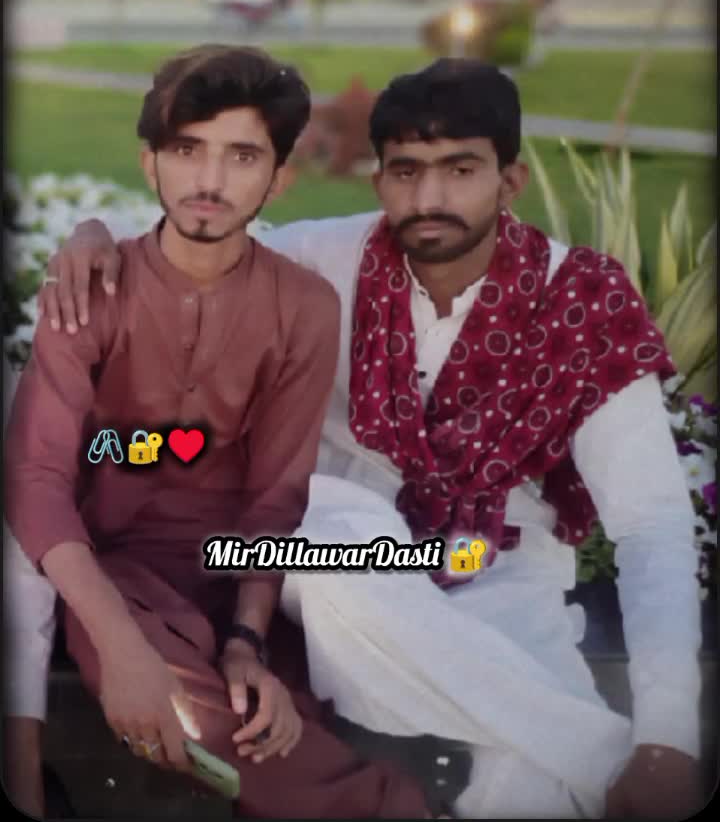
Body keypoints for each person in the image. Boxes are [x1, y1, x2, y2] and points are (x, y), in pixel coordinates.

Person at [23, 58, 704, 819]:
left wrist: (669, 737)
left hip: (497, 568)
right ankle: (599, 756)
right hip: (336, 554)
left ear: (509, 181)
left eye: (461, 170)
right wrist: (92, 234)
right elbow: (202, 227)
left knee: (524, 793)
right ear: (379, 180)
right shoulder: (334, 258)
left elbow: (652, 523)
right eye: (406, 171)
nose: (429, 198)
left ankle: (563, 757)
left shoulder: (581, 301)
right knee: (322, 560)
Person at [3, 44, 436, 819]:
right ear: (150, 164)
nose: (210, 180)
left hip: (237, 581)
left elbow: (276, 496)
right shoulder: (90, 292)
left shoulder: (303, 307)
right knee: (186, 718)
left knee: (276, 711)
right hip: (114, 582)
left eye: (242, 156)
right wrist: (121, 647)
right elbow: (37, 480)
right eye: (187, 150)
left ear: (278, 178)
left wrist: (246, 641)